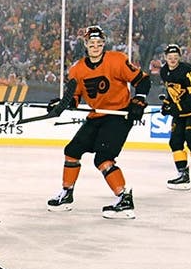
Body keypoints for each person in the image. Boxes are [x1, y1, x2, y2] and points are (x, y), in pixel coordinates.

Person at [43, 25, 150, 219]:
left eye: (99, 43)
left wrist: (139, 100)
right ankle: (66, 194)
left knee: (103, 158)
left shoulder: (117, 60)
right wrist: (62, 104)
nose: (95, 46)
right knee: (72, 151)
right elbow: (74, 97)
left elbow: (142, 80)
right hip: (96, 116)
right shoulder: (77, 69)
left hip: (119, 115)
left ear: (103, 44)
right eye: (91, 43)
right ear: (85, 44)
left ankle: (124, 199)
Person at [159, 44, 191, 190]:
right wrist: (167, 104)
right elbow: (172, 92)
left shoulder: (189, 72)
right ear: (165, 57)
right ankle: (182, 174)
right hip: (181, 113)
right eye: (170, 57)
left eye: (175, 57)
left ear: (179, 57)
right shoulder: (164, 71)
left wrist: (177, 107)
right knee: (175, 142)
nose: (172, 60)